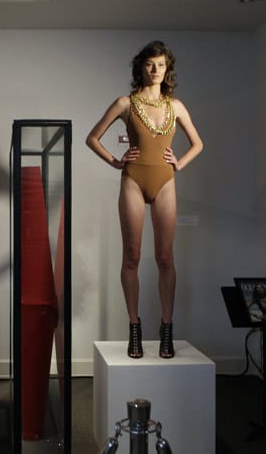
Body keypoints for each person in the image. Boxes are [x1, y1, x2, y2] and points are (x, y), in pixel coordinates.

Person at [86, 41, 203, 358]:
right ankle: (134, 328)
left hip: (165, 181)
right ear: (141, 67)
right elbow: (92, 138)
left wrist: (179, 162)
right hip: (133, 180)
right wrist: (114, 160)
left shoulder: (175, 106)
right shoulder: (125, 103)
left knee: (165, 257)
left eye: (161, 64)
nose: (155, 70)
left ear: (168, 69)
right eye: (150, 64)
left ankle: (167, 328)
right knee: (132, 256)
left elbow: (198, 143)